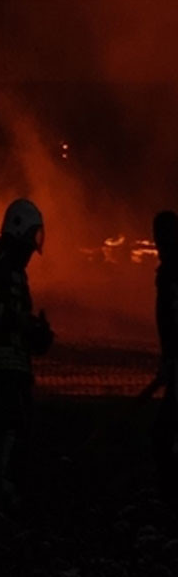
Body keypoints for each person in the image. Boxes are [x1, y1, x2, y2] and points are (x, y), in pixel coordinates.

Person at [0, 197, 52, 509]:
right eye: (33, 235)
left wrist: (35, 332)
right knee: (9, 424)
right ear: (19, 228)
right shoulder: (1, 261)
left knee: (17, 425)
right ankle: (1, 486)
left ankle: (8, 482)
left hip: (16, 362)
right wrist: (19, 322)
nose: (34, 245)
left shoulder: (15, 269)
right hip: (2, 362)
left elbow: (11, 313)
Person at [152, 210, 178, 499]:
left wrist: (170, 357)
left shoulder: (171, 273)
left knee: (163, 433)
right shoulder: (170, 271)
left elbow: (170, 317)